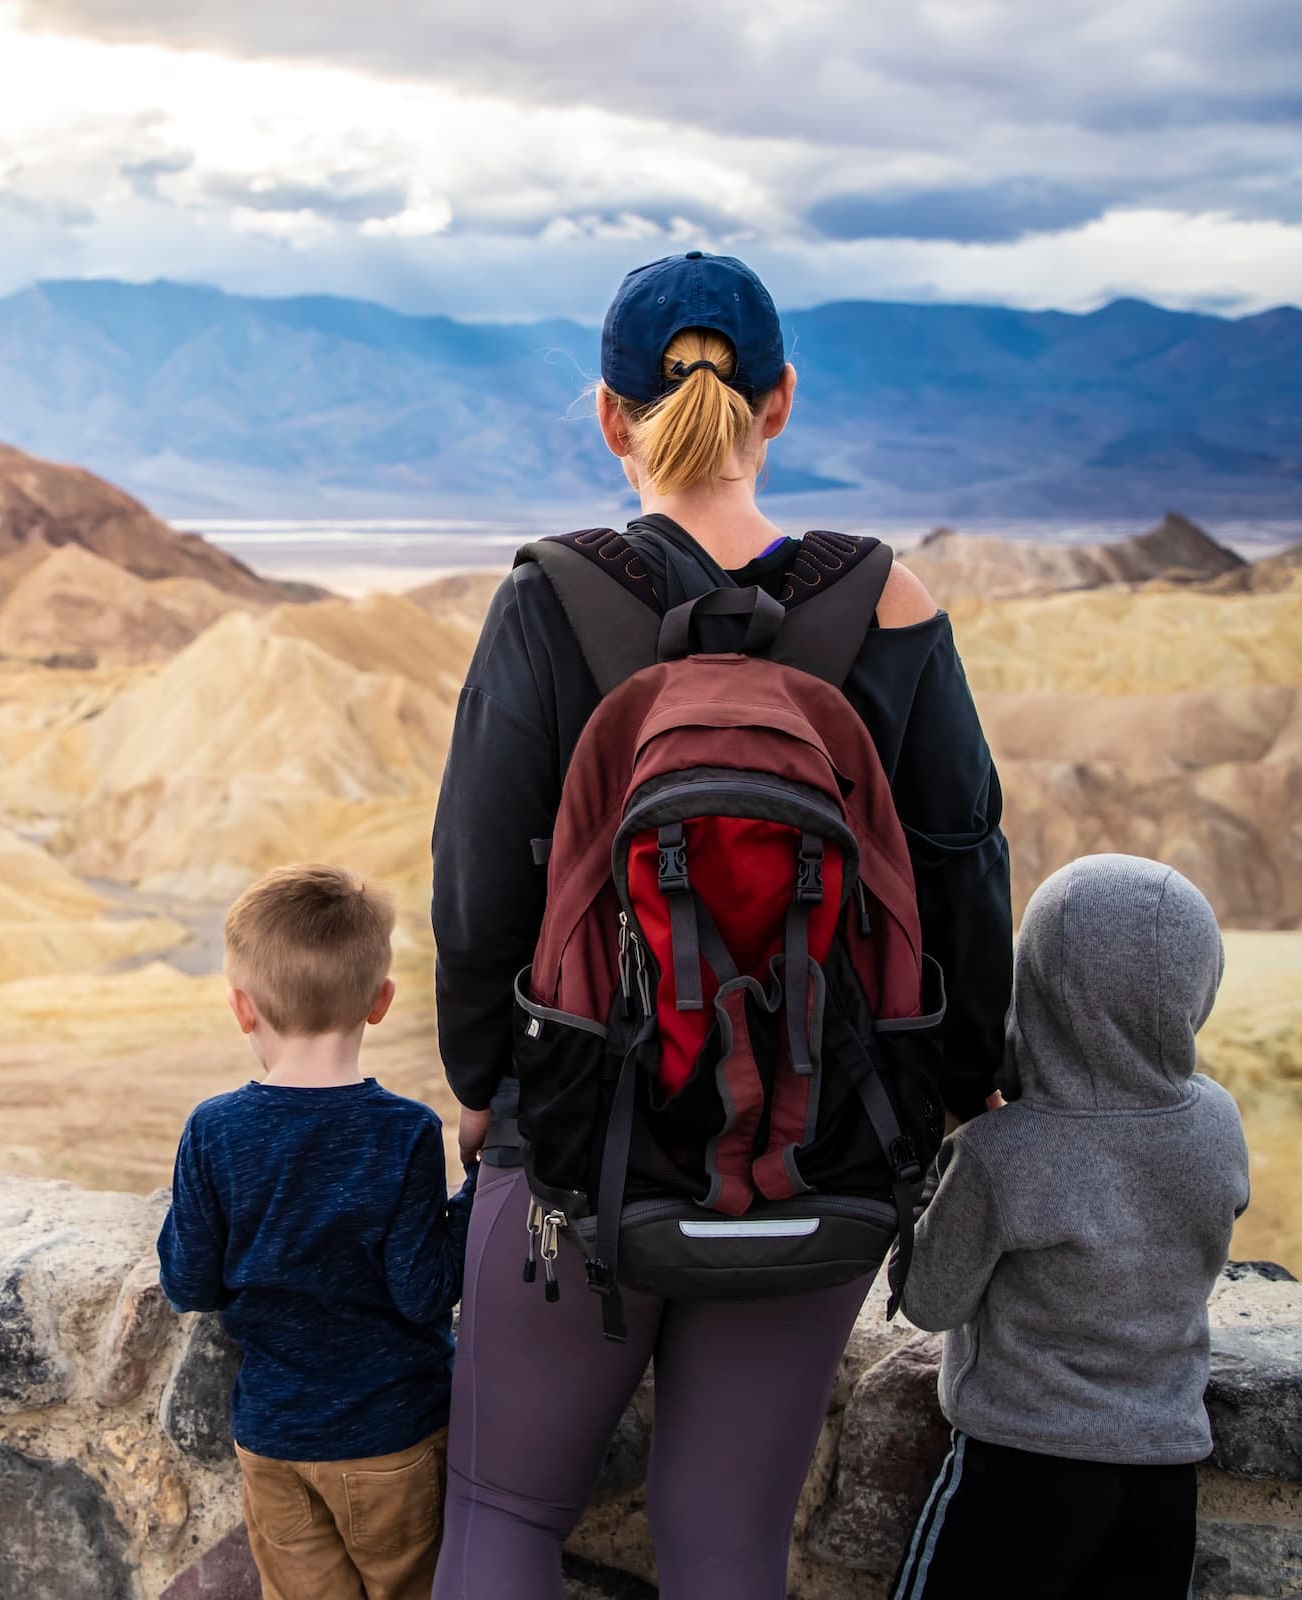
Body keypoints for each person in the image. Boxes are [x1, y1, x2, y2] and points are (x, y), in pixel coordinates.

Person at [432, 251, 1014, 1598]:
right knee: (727, 1543)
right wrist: (952, 1082)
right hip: (819, 1141)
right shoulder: (891, 603)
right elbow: (961, 869)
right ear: (784, 402)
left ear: (607, 414)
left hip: (578, 1138)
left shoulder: (548, 599)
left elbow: (477, 879)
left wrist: (485, 1084)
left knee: (504, 1519)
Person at [891, 854, 1249, 1599]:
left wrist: (942, 1164)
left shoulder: (1002, 1154)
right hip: (1163, 1478)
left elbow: (930, 1299)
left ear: (1037, 983)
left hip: (1018, 1472)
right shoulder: (1218, 1123)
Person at [160, 863, 477, 1600]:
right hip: (393, 1441)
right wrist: (474, 1196)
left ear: (242, 1008)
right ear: (381, 1002)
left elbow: (188, 1281)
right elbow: (423, 1290)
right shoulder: (403, 1133)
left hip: (274, 1442)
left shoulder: (214, 1132)